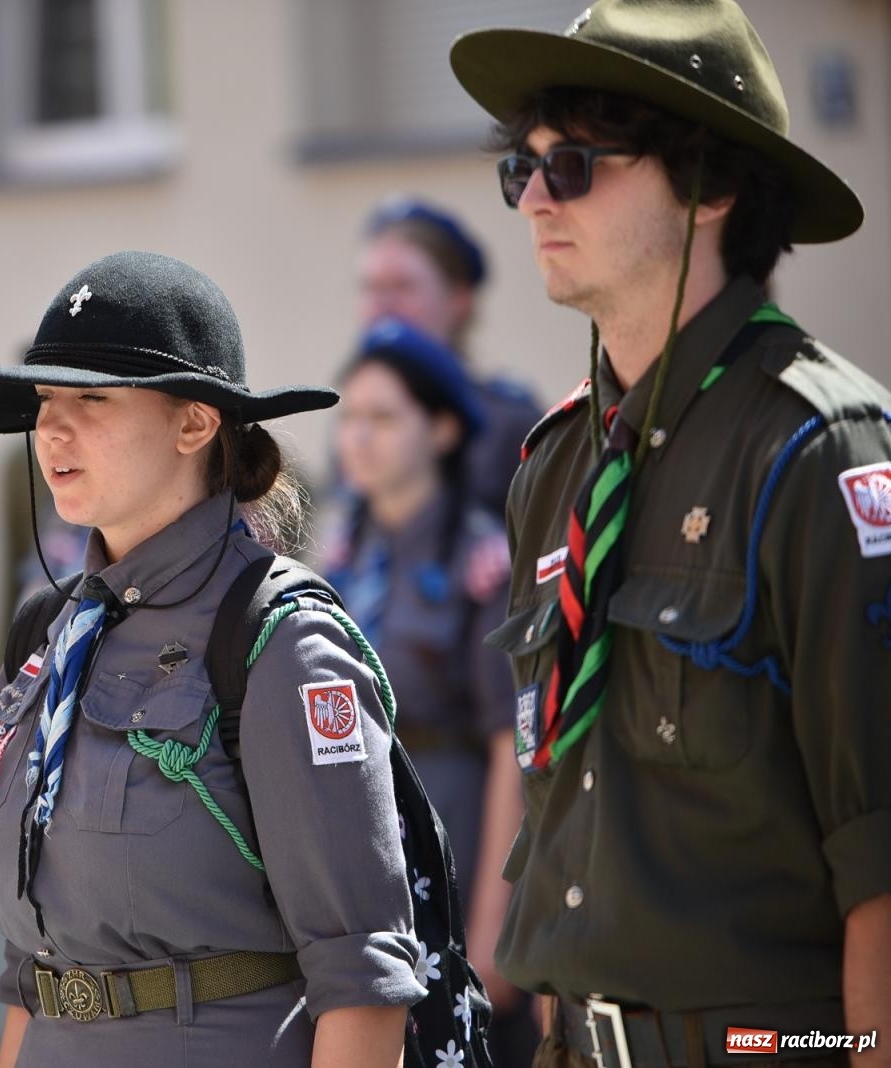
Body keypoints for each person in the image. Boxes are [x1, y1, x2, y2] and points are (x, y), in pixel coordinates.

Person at [448, 0, 891, 1061]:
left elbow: (880, 854)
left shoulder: (820, 447)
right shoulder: (554, 463)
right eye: (523, 169)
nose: (534, 203)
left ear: (711, 185)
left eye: (575, 167)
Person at [0, 251, 428, 1067]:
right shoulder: (50, 632)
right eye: (46, 397)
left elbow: (362, 983)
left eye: (91, 397)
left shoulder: (279, 640)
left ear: (195, 423)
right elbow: (31, 972)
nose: (51, 426)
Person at [322, 318, 531, 1050]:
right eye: (350, 418)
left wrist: (492, 926)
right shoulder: (335, 552)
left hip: (453, 838)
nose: (360, 437)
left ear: (441, 430)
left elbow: (512, 746)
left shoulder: (483, 562)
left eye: (384, 417)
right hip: (356, 864)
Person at [359, 196, 543, 515]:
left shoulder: (510, 425)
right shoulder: (356, 420)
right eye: (371, 288)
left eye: (403, 286)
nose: (383, 306)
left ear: (459, 299)